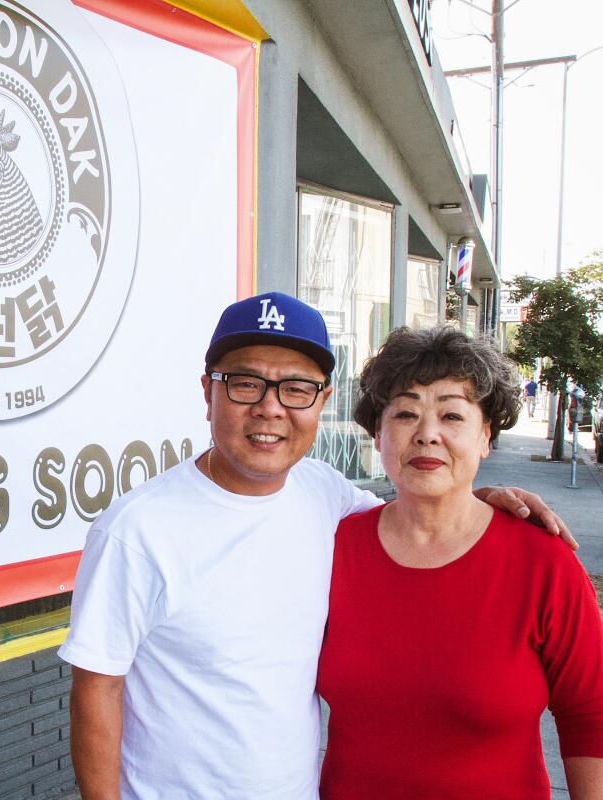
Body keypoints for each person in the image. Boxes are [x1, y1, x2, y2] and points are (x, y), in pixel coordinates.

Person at [59, 293, 572, 800]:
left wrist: (475, 497)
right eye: (244, 384)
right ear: (208, 392)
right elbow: (96, 691)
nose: (269, 408)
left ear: (322, 400)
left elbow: (412, 518)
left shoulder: (325, 493)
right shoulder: (136, 529)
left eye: (296, 389)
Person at [318, 326, 603, 799]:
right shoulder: (333, 549)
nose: (427, 434)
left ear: (485, 437)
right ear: (378, 435)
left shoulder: (543, 562)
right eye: (405, 413)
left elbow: (588, 713)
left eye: (452, 415)